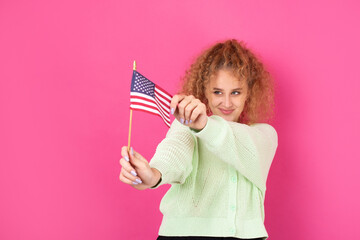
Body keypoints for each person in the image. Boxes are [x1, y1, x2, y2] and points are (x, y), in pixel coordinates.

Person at [119, 39, 278, 240]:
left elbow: (239, 145)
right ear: (205, 92)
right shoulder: (188, 125)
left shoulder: (265, 135)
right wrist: (152, 175)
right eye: (217, 92)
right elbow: (174, 152)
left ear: (249, 92)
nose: (227, 102)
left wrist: (204, 124)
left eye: (236, 92)